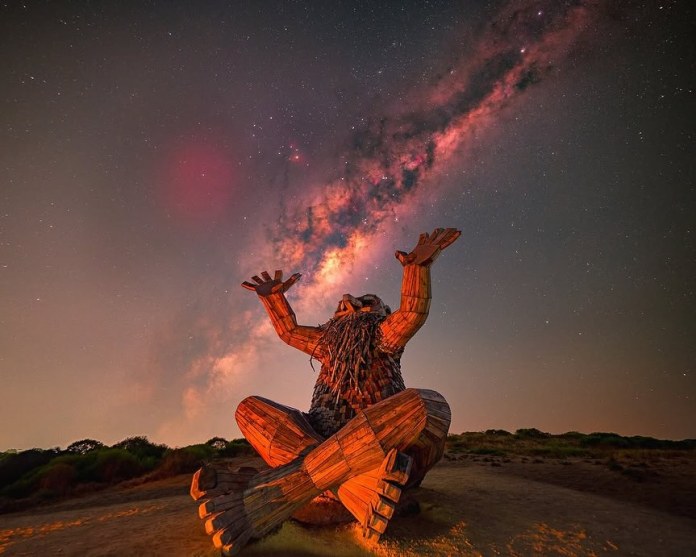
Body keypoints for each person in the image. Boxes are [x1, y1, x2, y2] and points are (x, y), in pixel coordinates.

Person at [191, 227, 461, 556]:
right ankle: (354, 489)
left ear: (380, 314)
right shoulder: (325, 344)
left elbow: (413, 312)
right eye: (342, 307)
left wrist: (416, 269)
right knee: (250, 410)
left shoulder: (383, 335)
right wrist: (273, 297)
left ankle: (275, 494)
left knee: (427, 406)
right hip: (318, 436)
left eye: (364, 304)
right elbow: (288, 330)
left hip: (384, 443)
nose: (349, 306)